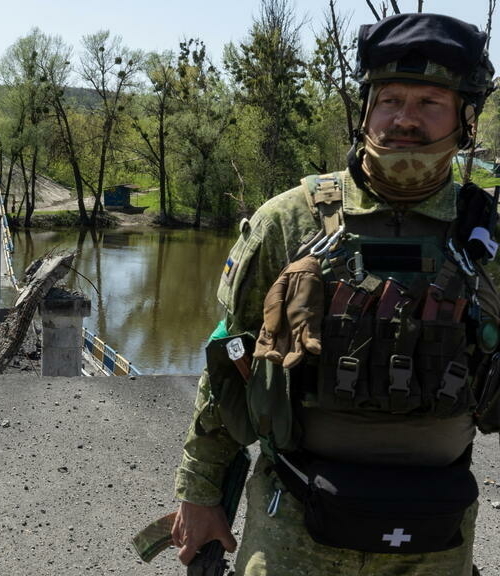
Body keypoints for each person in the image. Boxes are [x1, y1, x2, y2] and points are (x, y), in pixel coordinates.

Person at [172, 12, 500, 576]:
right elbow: (229, 362)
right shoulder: (290, 220)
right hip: (294, 524)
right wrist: (200, 493)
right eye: (390, 98)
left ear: (466, 119)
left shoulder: (487, 240)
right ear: (365, 109)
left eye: (430, 103)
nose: (405, 118)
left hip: (437, 537)